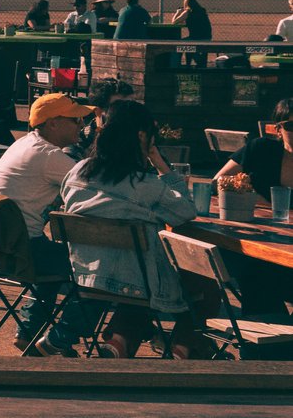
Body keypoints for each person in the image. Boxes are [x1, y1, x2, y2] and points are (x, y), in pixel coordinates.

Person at [40, 99, 203, 357]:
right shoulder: (146, 184)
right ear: (142, 136)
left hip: (85, 276)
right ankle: (182, 349)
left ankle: (120, 347)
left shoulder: (79, 170)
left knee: (135, 293)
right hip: (136, 282)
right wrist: (158, 160)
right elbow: (186, 212)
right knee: (204, 285)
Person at [0, 93, 94, 350]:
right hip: (20, 249)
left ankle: (27, 332)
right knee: (95, 267)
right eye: (75, 119)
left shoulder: (25, 144)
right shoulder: (49, 156)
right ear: (53, 123)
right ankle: (60, 338)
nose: (81, 125)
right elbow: (96, 189)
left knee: (53, 261)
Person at [213, 98, 293, 197]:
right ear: (278, 130)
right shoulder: (260, 149)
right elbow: (217, 182)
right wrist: (249, 196)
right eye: (291, 125)